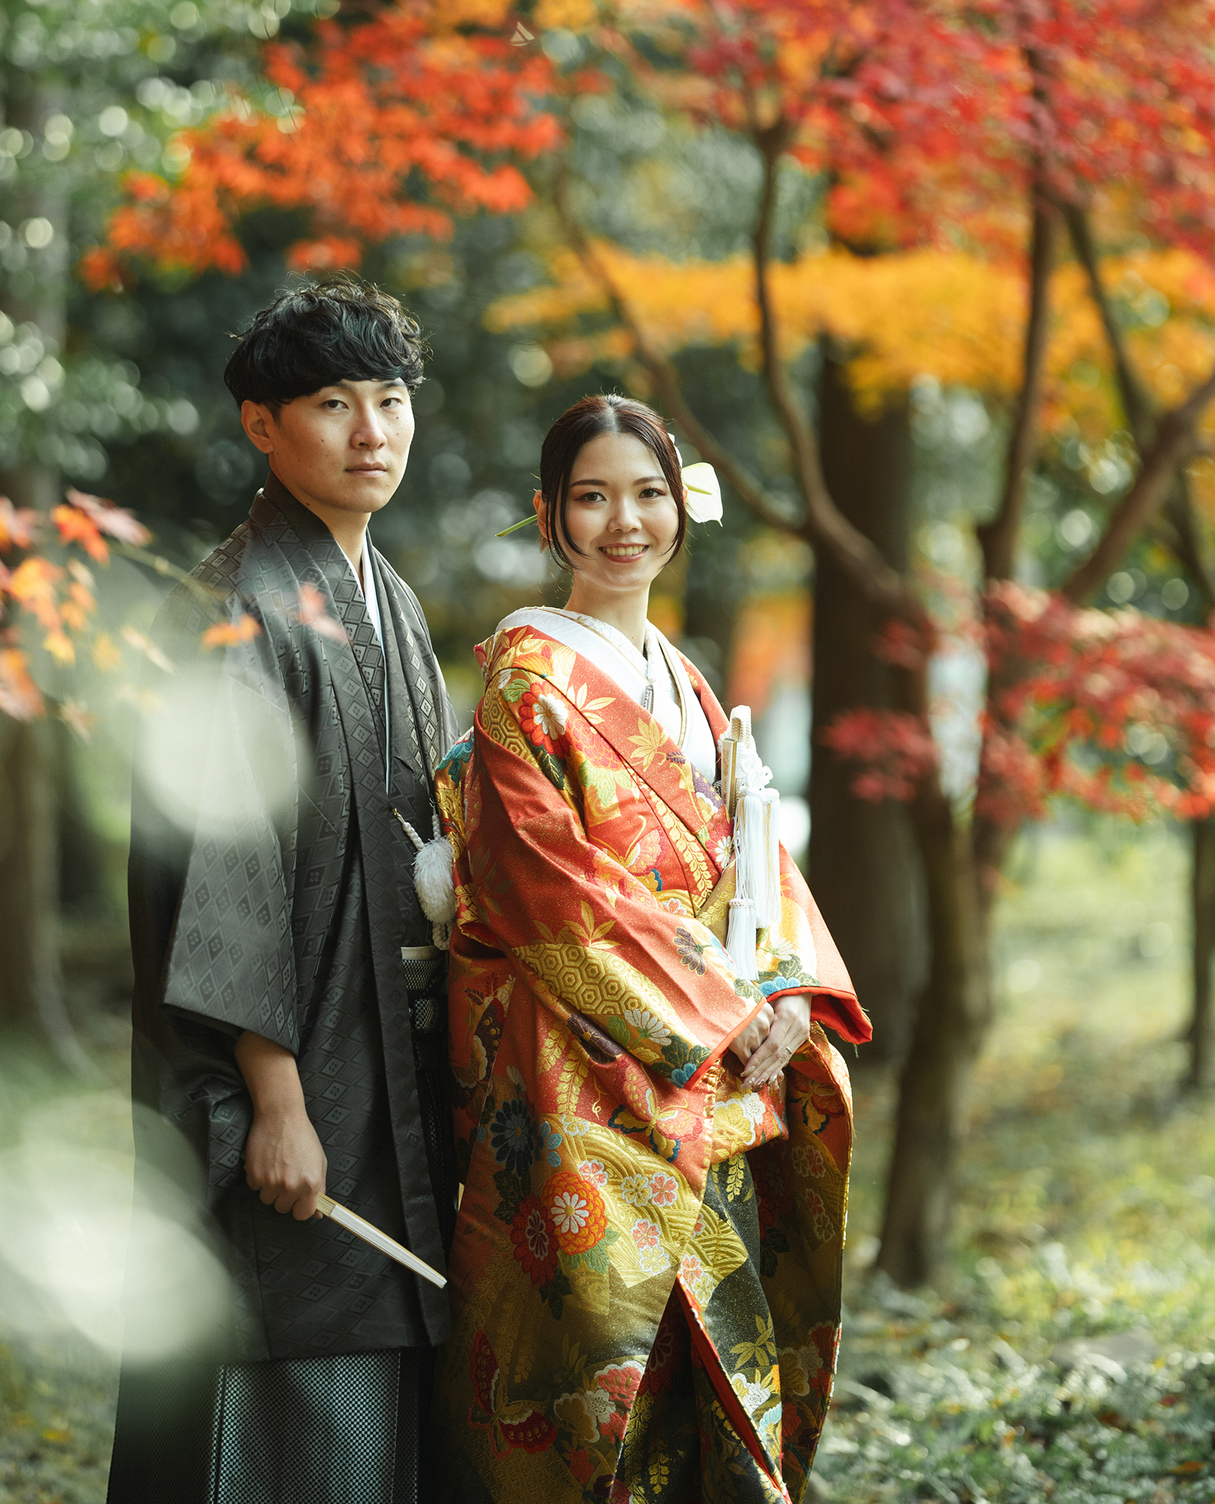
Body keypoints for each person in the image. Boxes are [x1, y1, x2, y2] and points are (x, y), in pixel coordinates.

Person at [431, 394, 871, 1504]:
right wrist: (725, 1011)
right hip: (583, 1076)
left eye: (646, 494)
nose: (622, 521)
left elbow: (757, 862)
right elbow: (547, 889)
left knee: (710, 1371)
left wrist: (783, 993)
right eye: (591, 498)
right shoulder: (527, 677)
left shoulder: (686, 679)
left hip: (709, 1070)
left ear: (684, 507)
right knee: (596, 1384)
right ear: (551, 515)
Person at [106, 275, 459, 1504]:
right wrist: (275, 1102)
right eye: (332, 403)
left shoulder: (393, 603)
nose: (373, 434)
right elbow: (230, 873)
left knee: (388, 1373)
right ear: (263, 425)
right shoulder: (228, 608)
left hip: (394, 1074)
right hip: (290, 1085)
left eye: (391, 401)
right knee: (289, 1364)